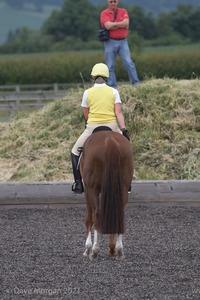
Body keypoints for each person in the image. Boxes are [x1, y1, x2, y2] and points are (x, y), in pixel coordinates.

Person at [71, 63, 130, 194]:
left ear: (93, 77)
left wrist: (90, 122)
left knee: (75, 151)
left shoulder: (87, 93)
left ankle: (78, 183)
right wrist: (123, 129)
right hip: (112, 126)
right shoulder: (114, 91)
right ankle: (128, 182)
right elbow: (118, 113)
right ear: (106, 77)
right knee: (128, 149)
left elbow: (86, 114)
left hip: (92, 127)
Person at [100, 0, 140, 88]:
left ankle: (136, 83)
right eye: (111, 2)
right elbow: (107, 26)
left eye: (114, 1)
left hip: (123, 41)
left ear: (117, 2)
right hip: (110, 41)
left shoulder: (123, 11)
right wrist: (120, 24)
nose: (113, 3)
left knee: (129, 62)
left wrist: (113, 25)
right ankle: (112, 86)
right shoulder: (104, 13)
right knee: (110, 65)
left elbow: (126, 23)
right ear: (108, 2)